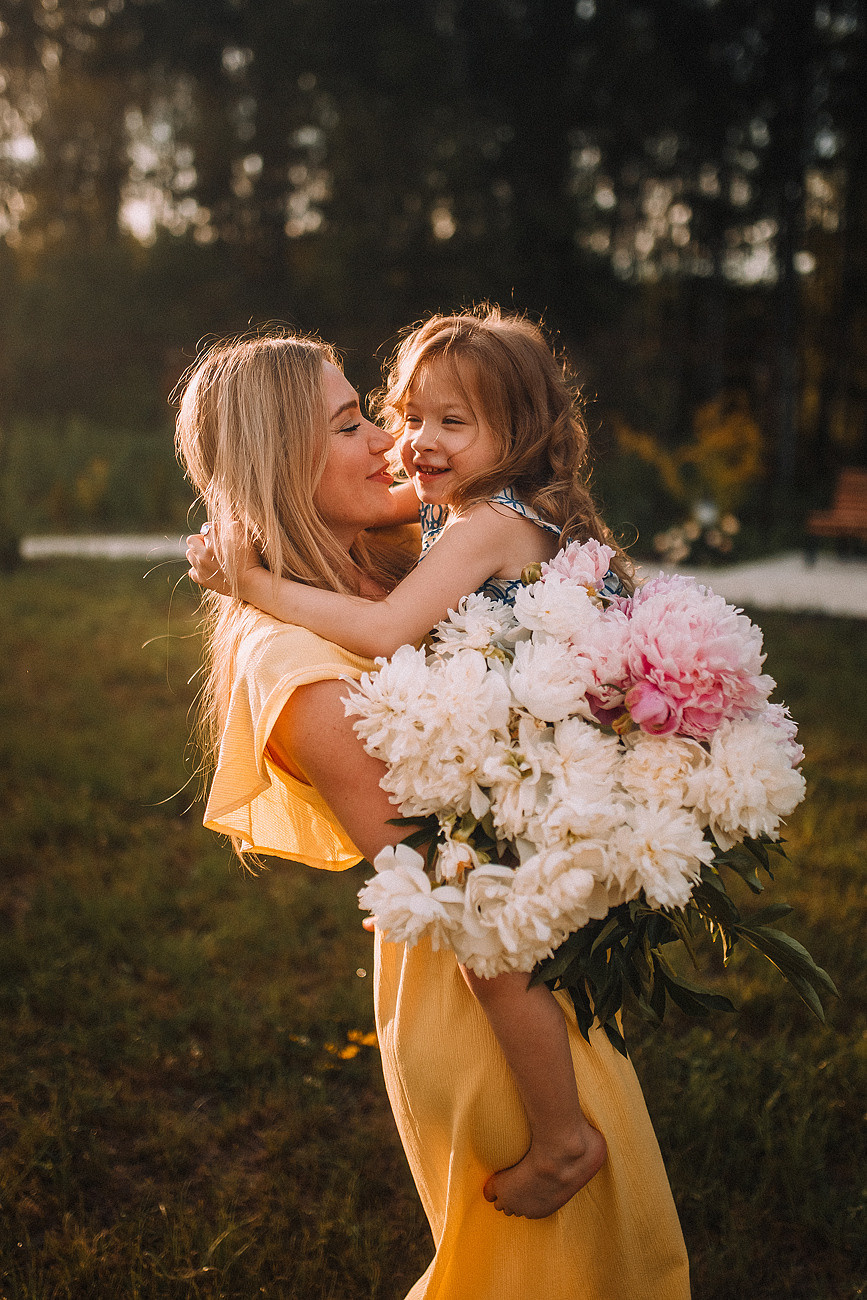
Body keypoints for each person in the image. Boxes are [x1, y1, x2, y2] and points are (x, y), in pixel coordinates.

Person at [179, 320, 691, 1299]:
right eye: (350, 424)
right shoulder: (292, 656)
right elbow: (455, 888)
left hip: (535, 943)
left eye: (378, 413)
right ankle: (559, 1138)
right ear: (278, 460)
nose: (389, 441)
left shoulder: (391, 557)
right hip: (486, 977)